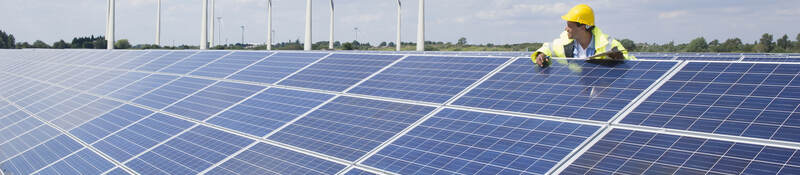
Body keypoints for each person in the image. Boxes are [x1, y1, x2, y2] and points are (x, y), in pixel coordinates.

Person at [532, 4, 635, 68]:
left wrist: (621, 60)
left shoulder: (609, 44)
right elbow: (548, 47)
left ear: (582, 27)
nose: (566, 29)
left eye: (569, 26)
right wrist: (540, 54)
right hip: (575, 91)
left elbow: (633, 63)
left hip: (600, 92)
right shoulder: (564, 43)